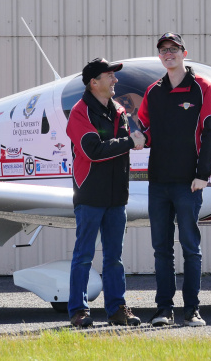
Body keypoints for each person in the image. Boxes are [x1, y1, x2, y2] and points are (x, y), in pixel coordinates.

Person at [136, 33, 211, 327]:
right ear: (159, 56)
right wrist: (137, 138)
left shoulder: (203, 89)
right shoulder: (153, 92)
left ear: (185, 53)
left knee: (190, 248)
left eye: (173, 49)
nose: (168, 54)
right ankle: (163, 310)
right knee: (161, 249)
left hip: (189, 183)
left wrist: (202, 175)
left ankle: (192, 309)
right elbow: (146, 132)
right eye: (163, 50)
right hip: (158, 182)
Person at [65, 57, 146, 328]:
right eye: (109, 75)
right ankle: (79, 311)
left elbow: (124, 144)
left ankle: (117, 309)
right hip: (90, 195)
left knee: (114, 257)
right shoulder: (79, 113)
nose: (115, 80)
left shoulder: (119, 111)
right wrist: (129, 141)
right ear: (93, 82)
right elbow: (93, 150)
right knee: (84, 256)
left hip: (116, 196)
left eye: (114, 75)